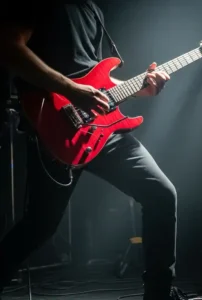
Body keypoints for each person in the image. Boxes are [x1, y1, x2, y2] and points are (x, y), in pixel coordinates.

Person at [0, 1, 185, 300]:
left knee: (161, 193)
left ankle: (159, 294)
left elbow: (96, 81)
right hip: (55, 126)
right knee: (39, 226)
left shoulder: (93, 10)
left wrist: (142, 88)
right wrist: (72, 91)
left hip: (102, 131)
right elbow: (8, 46)